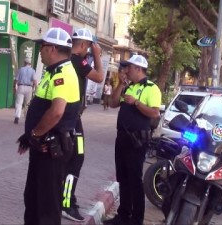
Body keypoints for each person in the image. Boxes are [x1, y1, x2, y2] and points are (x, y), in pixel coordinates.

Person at [17, 27, 81, 225]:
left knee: (47, 205)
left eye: (42, 47)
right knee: (33, 199)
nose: (40, 51)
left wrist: (33, 134)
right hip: (42, 147)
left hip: (51, 149)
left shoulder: (64, 74)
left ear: (52, 49)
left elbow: (56, 112)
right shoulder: (52, 72)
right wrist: (31, 137)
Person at [104, 55, 161, 225]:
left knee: (134, 179)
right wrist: (120, 84)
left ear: (137, 68)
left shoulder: (152, 88)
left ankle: (136, 219)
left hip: (137, 140)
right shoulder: (129, 87)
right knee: (123, 177)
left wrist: (136, 103)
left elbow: (154, 113)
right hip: (121, 138)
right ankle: (123, 215)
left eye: (128, 67)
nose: (125, 70)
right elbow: (113, 103)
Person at [61, 27, 104, 222]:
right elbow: (99, 77)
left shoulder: (67, 60)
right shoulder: (79, 60)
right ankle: (66, 202)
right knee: (77, 158)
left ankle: (64, 196)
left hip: (68, 116)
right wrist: (98, 57)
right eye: (90, 46)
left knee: (67, 158)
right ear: (85, 45)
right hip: (72, 119)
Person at [14, 57, 37, 124]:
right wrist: (36, 88)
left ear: (24, 63)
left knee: (18, 103)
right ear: (30, 63)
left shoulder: (20, 69)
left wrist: (14, 87)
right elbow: (34, 80)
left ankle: (17, 117)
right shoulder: (33, 70)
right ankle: (26, 119)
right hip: (29, 88)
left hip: (20, 87)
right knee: (27, 104)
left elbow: (16, 79)